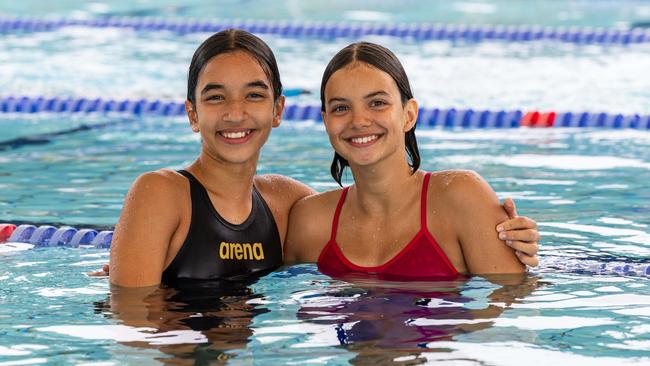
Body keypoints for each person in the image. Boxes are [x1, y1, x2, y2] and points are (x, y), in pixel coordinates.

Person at [107, 31, 539, 287]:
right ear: (191, 112)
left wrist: (528, 245)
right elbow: (134, 320)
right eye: (340, 107)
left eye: (376, 103)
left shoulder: (288, 206)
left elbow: (518, 309)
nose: (235, 113)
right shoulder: (305, 219)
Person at [284, 42, 539, 280]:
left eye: (377, 103)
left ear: (409, 114)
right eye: (341, 108)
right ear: (326, 121)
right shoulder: (310, 223)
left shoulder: (461, 198)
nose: (359, 121)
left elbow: (512, 311)